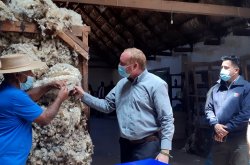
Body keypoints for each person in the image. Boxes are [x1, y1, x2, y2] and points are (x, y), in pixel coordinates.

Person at [74, 48, 174, 164]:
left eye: (122, 64)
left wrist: (165, 152)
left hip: (147, 145)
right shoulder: (121, 84)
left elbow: (167, 119)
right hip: (125, 144)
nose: (119, 66)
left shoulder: (156, 84)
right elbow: (107, 106)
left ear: (135, 66)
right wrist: (83, 96)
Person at [0, 54, 69, 164]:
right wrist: (60, 98)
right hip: (9, 160)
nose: (31, 74)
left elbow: (27, 97)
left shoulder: (5, 90)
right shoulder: (15, 97)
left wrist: (49, 85)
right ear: (16, 74)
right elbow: (44, 119)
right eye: (28, 71)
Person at [205, 55, 250, 165]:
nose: (222, 70)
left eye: (226, 68)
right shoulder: (215, 89)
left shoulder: (246, 87)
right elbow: (208, 109)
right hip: (219, 140)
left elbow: (246, 113)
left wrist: (227, 128)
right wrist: (215, 125)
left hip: (239, 141)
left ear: (236, 70)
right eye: (221, 67)